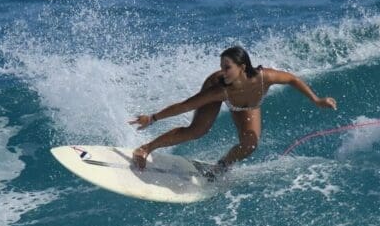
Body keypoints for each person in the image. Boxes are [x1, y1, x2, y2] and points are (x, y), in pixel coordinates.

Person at [128, 46, 337, 172]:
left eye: (227, 67)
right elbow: (186, 105)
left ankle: (221, 166)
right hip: (226, 94)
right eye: (221, 67)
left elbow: (292, 79)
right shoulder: (219, 88)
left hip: (247, 103)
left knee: (250, 145)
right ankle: (146, 148)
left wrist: (316, 100)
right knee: (197, 131)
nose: (223, 71)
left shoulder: (265, 78)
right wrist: (153, 118)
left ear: (242, 67)